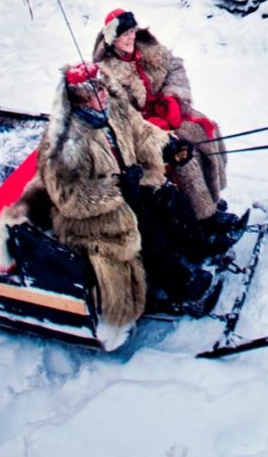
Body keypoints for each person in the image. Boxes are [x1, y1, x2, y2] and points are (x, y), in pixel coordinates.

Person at [19, 62, 220, 345]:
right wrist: (117, 188)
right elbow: (70, 198)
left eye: (101, 89)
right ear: (78, 100)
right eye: (94, 94)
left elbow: (141, 131)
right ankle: (181, 288)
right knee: (143, 223)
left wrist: (167, 144)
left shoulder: (111, 108)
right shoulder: (65, 143)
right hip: (91, 215)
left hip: (129, 185)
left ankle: (191, 247)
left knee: (167, 197)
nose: (102, 96)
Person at [92, 8, 247, 248]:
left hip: (164, 111)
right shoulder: (107, 71)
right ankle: (203, 218)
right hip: (140, 131)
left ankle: (211, 198)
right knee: (183, 155)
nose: (131, 37)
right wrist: (152, 125)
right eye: (124, 34)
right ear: (112, 39)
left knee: (205, 129)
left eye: (132, 31)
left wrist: (172, 97)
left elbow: (175, 68)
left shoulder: (148, 49)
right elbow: (121, 114)